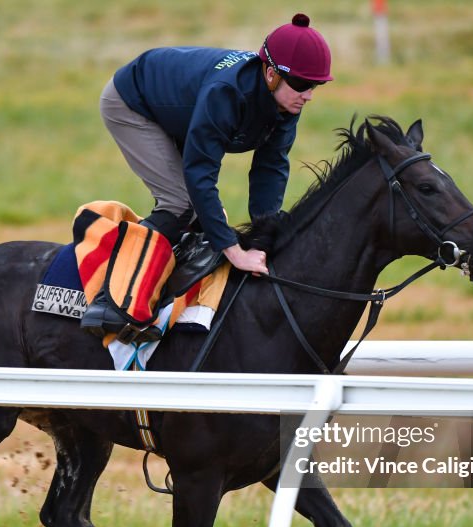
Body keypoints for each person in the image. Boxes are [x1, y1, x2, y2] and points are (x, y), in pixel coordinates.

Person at [82, 13, 332, 338]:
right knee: (180, 203)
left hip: (178, 108)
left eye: (314, 85)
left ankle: (168, 295)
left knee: (201, 218)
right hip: (133, 102)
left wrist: (264, 232)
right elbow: (200, 172)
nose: (308, 94)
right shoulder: (226, 93)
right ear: (270, 74)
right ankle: (111, 300)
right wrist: (235, 251)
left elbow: (270, 167)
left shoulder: (286, 105)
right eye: (301, 84)